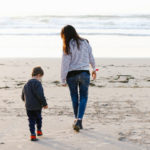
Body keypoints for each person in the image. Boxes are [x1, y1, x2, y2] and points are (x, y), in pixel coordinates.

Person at [61, 25, 96, 132]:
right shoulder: (85, 42)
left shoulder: (67, 45)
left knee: (75, 97)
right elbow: (91, 57)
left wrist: (63, 79)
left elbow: (65, 64)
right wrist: (94, 68)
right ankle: (79, 120)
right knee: (84, 97)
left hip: (72, 74)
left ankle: (77, 120)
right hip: (85, 73)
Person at [21, 66, 48, 141]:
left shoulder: (26, 84)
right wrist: (45, 104)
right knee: (39, 118)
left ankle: (32, 135)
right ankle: (39, 130)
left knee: (31, 120)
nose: (41, 79)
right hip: (37, 106)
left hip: (28, 106)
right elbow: (40, 95)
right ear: (39, 75)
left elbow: (22, 96)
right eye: (41, 77)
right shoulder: (38, 83)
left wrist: (26, 101)